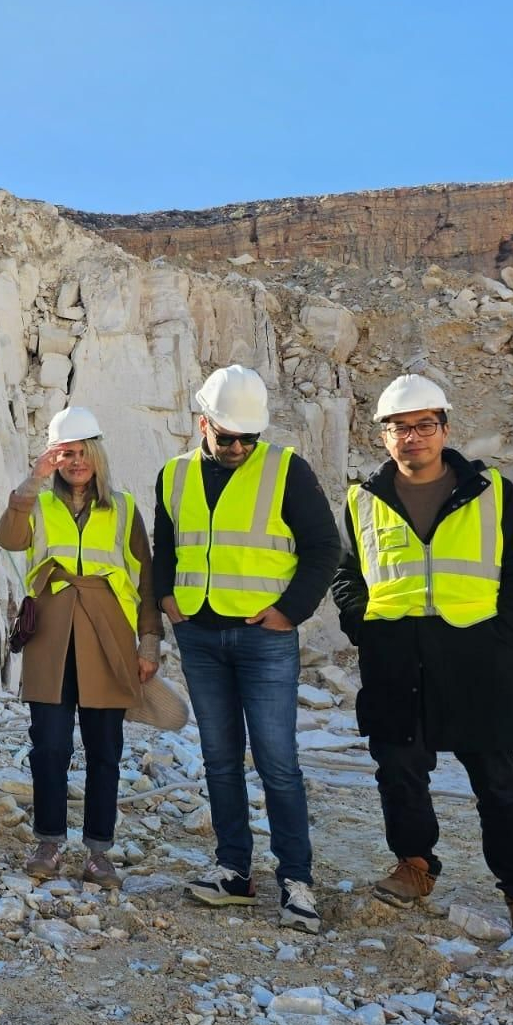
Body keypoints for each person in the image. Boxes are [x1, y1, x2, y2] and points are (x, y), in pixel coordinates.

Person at [331, 375, 513, 927]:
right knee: (400, 770)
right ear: (383, 436)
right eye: (400, 428)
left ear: (445, 429)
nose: (413, 437)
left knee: (497, 779)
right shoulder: (361, 500)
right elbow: (346, 574)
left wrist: (504, 628)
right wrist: (365, 628)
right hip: (395, 654)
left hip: (476, 650)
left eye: (424, 425)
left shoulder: (492, 490)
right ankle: (414, 864)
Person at [153, 365, 339, 933]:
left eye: (248, 437)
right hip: (200, 636)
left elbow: (325, 548)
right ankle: (233, 870)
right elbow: (165, 547)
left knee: (279, 763)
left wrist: (290, 611)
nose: (238, 447)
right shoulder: (174, 474)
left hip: (264, 638)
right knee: (219, 759)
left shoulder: (287, 470)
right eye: (227, 435)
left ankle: (296, 881)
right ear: (202, 422)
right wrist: (167, 599)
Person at [0, 407, 161, 887]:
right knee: (48, 746)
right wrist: (32, 480)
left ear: (98, 453)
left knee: (105, 748)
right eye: (65, 452)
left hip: (108, 635)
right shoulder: (39, 503)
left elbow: (146, 581)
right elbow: (7, 537)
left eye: (83, 450)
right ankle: (49, 841)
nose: (75, 461)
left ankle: (98, 852)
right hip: (50, 633)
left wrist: (148, 645)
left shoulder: (124, 507)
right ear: (53, 457)